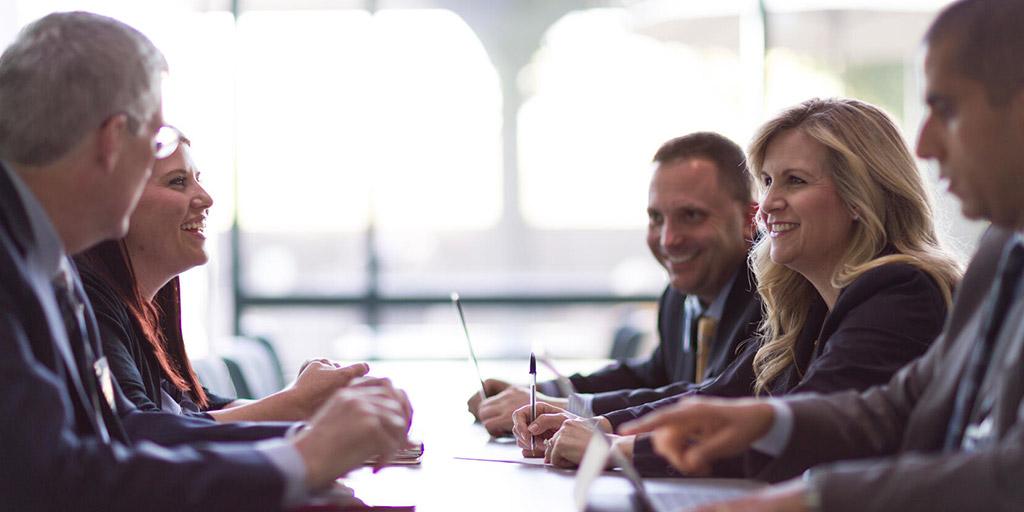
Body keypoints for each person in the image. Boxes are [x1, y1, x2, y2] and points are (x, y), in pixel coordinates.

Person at [621, 1, 1024, 510]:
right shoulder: (1000, 250)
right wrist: (768, 422)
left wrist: (808, 497)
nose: (923, 144)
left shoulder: (900, 291)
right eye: (767, 181)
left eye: (945, 109)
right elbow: (899, 405)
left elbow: (1010, 473)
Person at [0, 12, 410, 511]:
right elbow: (53, 481)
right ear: (111, 142)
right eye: (157, 143)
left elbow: (119, 436)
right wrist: (301, 457)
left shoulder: (45, 260)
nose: (204, 197)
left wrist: (311, 444)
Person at [515, 98, 962, 476]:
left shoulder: (901, 293)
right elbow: (721, 397)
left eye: (795, 180)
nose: (766, 204)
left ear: (862, 198)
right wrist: (604, 426)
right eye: (767, 181)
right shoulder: (808, 300)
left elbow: (799, 436)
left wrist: (616, 450)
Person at [468, 132, 763, 435]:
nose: (668, 239)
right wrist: (538, 393)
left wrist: (571, 407)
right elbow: (652, 377)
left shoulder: (774, 296)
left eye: (691, 215)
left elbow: (714, 397)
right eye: (656, 218)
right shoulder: (679, 295)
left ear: (750, 219)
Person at [75, 130, 366, 423]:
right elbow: (141, 431)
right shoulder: (89, 299)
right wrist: (293, 404)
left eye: (197, 180)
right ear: (119, 200)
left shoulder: (144, 309)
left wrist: (305, 401)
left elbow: (194, 409)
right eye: (178, 181)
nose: (206, 198)